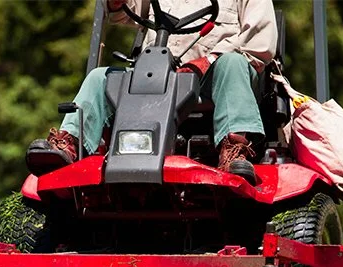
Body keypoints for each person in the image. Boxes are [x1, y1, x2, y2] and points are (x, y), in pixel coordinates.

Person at [26, 0, 277, 183]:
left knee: (231, 64)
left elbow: (260, 45)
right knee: (100, 77)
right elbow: (123, 11)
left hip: (213, 79)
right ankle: (69, 144)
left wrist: (206, 61)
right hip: (158, 73)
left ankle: (235, 150)